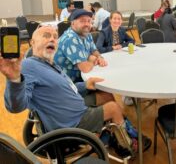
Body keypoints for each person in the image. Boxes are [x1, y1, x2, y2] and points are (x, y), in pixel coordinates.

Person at [1, 26, 151, 156]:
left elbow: (66, 87)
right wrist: (14, 79)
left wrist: (86, 85)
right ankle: (128, 146)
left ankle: (114, 132)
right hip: (70, 123)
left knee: (105, 95)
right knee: (114, 108)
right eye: (46, 36)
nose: (52, 39)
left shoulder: (49, 64)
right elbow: (16, 106)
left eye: (54, 37)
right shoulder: (28, 66)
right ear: (32, 43)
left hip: (73, 107)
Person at [54, 9, 113, 107]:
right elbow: (85, 68)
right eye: (82, 21)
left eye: (89, 21)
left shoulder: (86, 34)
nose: (87, 24)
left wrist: (99, 57)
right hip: (69, 88)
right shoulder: (71, 39)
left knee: (107, 82)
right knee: (108, 95)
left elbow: (94, 50)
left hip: (81, 80)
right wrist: (91, 59)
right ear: (72, 23)